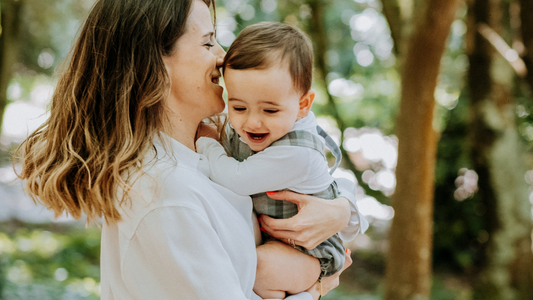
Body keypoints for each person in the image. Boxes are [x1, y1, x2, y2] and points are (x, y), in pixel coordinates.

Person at [14, 0, 365, 299]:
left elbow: (311, 159)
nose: (224, 57)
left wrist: (341, 210)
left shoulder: (215, 145)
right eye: (208, 43)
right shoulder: (166, 194)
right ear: (155, 62)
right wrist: (315, 287)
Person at [196, 22, 368, 299]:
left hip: (310, 252)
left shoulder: (296, 151)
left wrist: (207, 145)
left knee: (260, 269)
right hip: (280, 240)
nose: (252, 121)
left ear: (303, 105)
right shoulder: (263, 123)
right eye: (238, 107)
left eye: (270, 110)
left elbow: (236, 178)